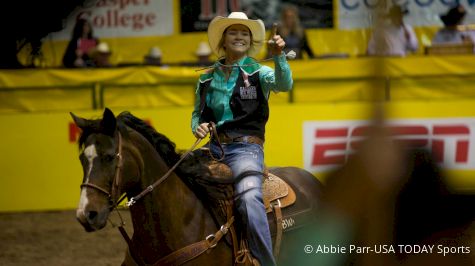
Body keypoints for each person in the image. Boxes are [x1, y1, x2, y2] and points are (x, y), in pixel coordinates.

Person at [191, 11, 292, 266]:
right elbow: (197, 114)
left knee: (248, 198)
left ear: (250, 41)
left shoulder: (260, 72)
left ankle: (266, 262)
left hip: (246, 150)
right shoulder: (205, 78)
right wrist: (198, 126)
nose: (239, 37)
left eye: (244, 33)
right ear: (223, 40)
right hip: (213, 147)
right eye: (233, 32)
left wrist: (279, 57)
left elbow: (284, 84)